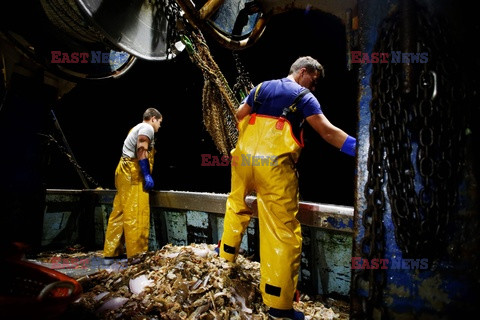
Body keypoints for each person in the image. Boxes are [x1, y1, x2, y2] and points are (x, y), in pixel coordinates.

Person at [219, 56, 356, 319]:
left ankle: (224, 257)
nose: (313, 88)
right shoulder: (304, 98)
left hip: (243, 160)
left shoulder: (260, 88)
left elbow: (239, 115)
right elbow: (327, 132)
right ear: (303, 72)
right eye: (313, 81)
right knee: (281, 232)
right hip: (274, 168)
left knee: (236, 204)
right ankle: (278, 305)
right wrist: (359, 149)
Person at [103, 107, 163, 262]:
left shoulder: (135, 128)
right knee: (137, 213)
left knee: (120, 211)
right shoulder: (146, 128)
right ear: (153, 118)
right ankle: (137, 257)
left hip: (123, 171)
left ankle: (111, 251)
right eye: (159, 122)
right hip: (133, 173)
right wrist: (147, 174)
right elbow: (142, 149)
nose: (159, 126)